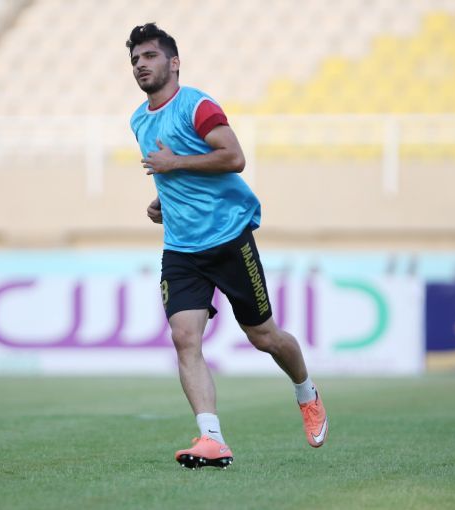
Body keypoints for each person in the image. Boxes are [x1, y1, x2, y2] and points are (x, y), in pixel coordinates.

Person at [126, 23, 328, 469]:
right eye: (135, 59)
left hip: (228, 239)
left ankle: (306, 392)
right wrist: (165, 200)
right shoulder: (138, 119)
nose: (141, 64)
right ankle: (212, 439)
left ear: (174, 62)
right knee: (184, 339)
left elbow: (233, 158)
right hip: (181, 249)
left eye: (150, 56)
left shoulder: (197, 105)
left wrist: (175, 165)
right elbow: (173, 173)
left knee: (264, 337)